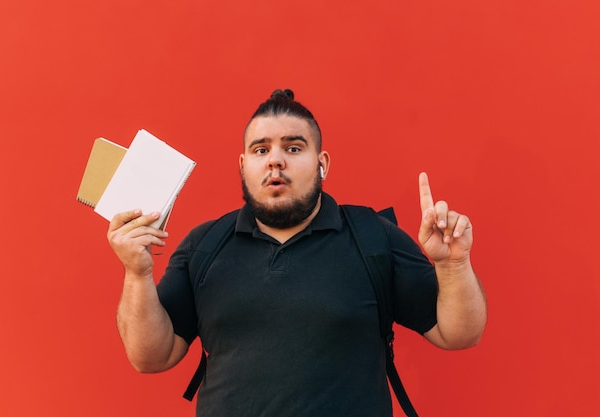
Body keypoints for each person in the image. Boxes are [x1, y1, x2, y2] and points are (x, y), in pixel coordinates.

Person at [108, 89, 487, 417]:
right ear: (244, 166)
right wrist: (137, 274)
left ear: (322, 164)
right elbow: (151, 357)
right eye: (261, 150)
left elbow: (458, 334)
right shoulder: (204, 244)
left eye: (293, 147)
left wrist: (453, 264)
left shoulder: (373, 237)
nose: (275, 160)